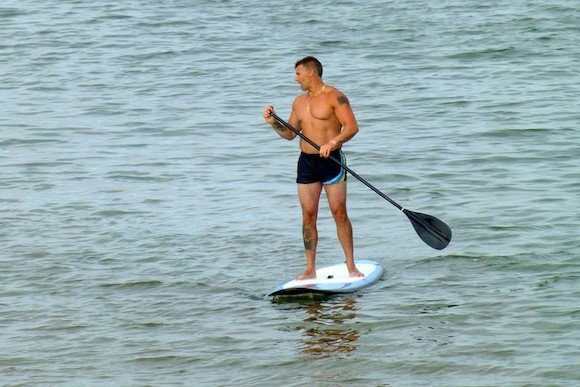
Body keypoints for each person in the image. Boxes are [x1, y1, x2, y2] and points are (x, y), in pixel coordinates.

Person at [263, 56, 363, 280]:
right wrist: (273, 123)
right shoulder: (298, 102)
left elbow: (352, 127)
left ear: (311, 73)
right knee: (308, 216)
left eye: (298, 74)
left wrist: (333, 142)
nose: (295, 79)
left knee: (339, 214)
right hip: (306, 163)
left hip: (332, 161)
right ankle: (310, 269)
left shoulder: (335, 97)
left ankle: (351, 265)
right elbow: (289, 134)